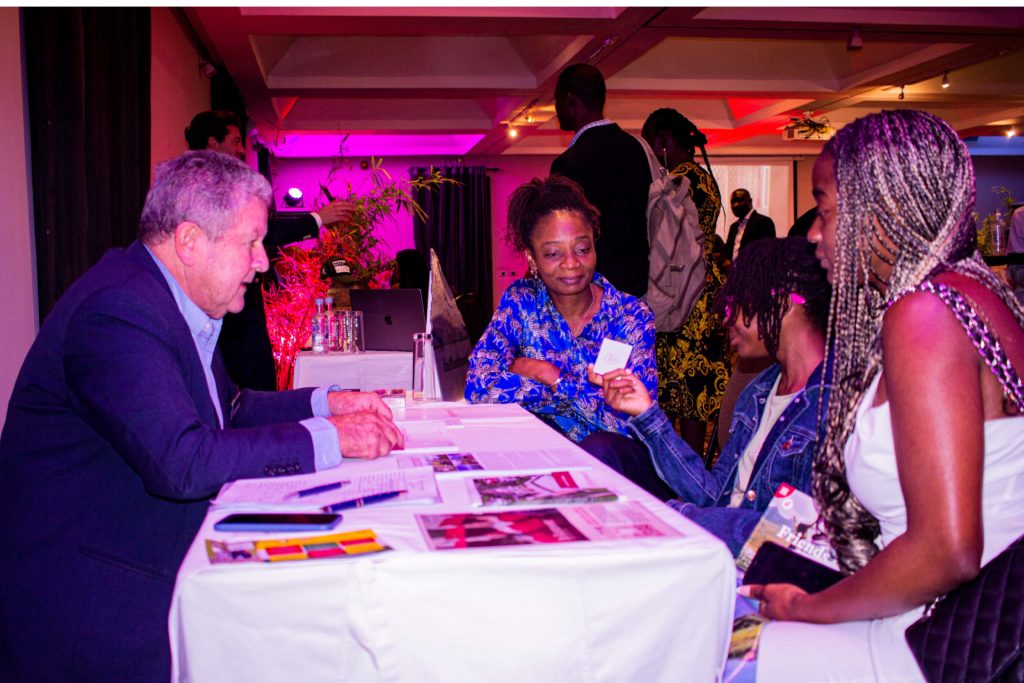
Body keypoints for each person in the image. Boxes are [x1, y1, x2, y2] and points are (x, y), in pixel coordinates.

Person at [0, 151, 405, 682]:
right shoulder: (117, 311)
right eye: (251, 243)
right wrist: (330, 437)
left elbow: (227, 407)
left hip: (138, 553)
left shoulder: (168, 298)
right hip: (92, 602)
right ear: (190, 241)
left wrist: (327, 403)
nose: (262, 262)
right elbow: (182, 462)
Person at [745, 110, 1024, 681]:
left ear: (882, 208)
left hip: (936, 639)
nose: (813, 233)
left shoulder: (925, 315)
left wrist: (807, 608)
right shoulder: (971, 289)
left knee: (716, 644)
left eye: (824, 210)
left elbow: (947, 550)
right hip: (936, 618)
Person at [590, 237, 832, 552]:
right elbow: (716, 495)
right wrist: (646, 413)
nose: (726, 318)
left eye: (737, 301)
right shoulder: (759, 390)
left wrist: (675, 517)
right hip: (718, 539)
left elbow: (792, 539)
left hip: (759, 566)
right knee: (604, 452)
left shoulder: (831, 404)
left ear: (783, 300)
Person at [465, 175, 656, 443]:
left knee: (601, 444)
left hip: (611, 459)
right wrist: (588, 400)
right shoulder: (522, 303)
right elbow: (478, 385)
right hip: (537, 450)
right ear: (532, 258)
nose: (571, 263)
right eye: (554, 253)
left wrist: (548, 375)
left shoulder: (630, 316)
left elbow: (637, 423)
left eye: (582, 249)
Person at [186, 110, 355, 390]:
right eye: (235, 141)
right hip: (227, 310)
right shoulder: (206, 190)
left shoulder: (214, 185)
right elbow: (265, 231)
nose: (242, 150)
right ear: (213, 144)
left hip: (236, 310)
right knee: (247, 386)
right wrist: (318, 219)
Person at [641, 108, 731, 454]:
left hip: (680, 291)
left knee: (678, 385)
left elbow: (664, 246)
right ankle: (694, 462)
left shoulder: (677, 183)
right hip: (705, 288)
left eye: (651, 145)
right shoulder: (704, 179)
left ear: (664, 141)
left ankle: (678, 465)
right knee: (695, 385)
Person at [550, 64, 651, 298]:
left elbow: (562, 236)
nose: (556, 109)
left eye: (556, 100)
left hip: (593, 291)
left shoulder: (570, 162)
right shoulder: (636, 149)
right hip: (638, 286)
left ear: (569, 100)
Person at [725, 188, 776, 265]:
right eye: (732, 202)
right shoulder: (733, 227)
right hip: (734, 272)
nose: (735, 205)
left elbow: (766, 253)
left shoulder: (764, 222)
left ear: (750, 201)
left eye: (739, 200)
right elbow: (728, 251)